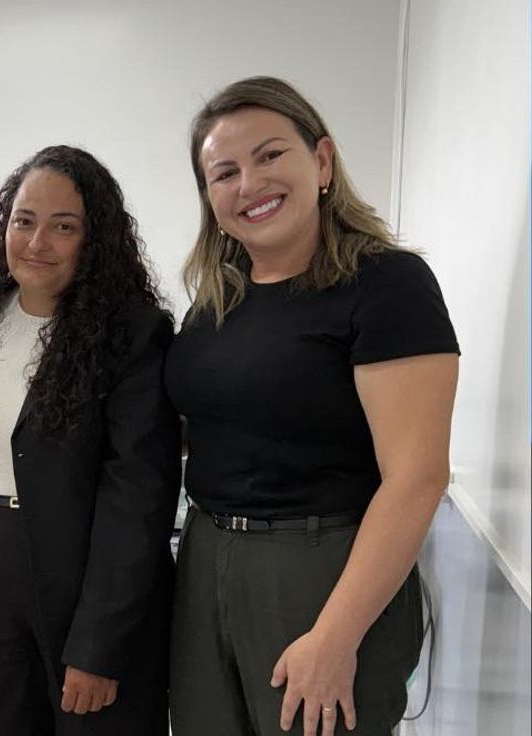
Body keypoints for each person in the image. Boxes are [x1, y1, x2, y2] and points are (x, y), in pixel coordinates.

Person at [165, 76, 459, 736]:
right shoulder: (215, 303)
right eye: (224, 173)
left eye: (270, 155)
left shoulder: (387, 285)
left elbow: (417, 477)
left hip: (322, 570)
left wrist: (334, 637)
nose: (249, 184)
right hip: (205, 558)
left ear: (322, 162)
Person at [0, 145, 181, 735]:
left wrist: (100, 646)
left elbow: (138, 496)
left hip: (84, 583)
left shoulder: (132, 333)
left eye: (63, 227)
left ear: (95, 239)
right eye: (24, 221)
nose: (37, 242)